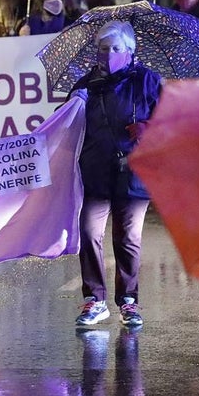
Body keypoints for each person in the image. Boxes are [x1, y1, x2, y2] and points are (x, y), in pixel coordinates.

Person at [69, 20, 162, 329]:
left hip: (133, 174)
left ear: (130, 51)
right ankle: (95, 299)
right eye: (104, 48)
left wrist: (149, 127)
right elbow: (66, 123)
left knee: (127, 238)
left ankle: (128, 301)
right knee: (88, 232)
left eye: (117, 48)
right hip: (94, 171)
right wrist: (73, 105)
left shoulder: (147, 81)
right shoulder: (86, 84)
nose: (110, 54)